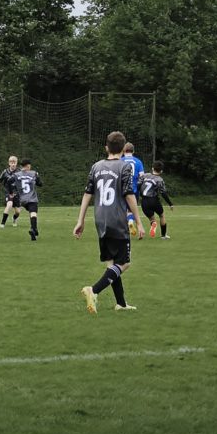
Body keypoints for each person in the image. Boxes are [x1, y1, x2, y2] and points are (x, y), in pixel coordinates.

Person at [74, 131, 145, 313]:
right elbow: (129, 195)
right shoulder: (124, 167)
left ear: (106, 148)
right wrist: (139, 222)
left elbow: (87, 194)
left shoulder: (96, 167)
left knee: (112, 264)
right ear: (123, 149)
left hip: (100, 219)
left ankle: (120, 303)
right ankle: (94, 290)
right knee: (125, 263)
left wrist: (80, 220)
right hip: (118, 220)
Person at [139, 161, 174, 239]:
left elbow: (138, 185)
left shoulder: (144, 176)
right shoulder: (159, 180)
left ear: (152, 168)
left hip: (144, 201)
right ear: (161, 171)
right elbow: (163, 193)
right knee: (161, 215)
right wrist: (170, 204)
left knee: (151, 218)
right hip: (154, 200)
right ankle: (163, 235)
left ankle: (153, 223)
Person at [15, 159, 42, 241]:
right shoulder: (33, 173)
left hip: (23, 200)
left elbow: (10, 182)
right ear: (28, 166)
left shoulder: (17, 174)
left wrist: (11, 192)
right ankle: (33, 229)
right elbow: (40, 184)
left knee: (31, 211)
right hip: (32, 198)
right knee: (33, 213)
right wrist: (37, 178)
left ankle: (34, 230)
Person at [0, 155, 21, 228]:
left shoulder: (20, 172)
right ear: (9, 163)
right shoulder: (5, 172)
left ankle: (14, 218)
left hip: (17, 194)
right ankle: (2, 223)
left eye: (14, 162)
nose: (13, 164)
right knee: (9, 205)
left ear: (16, 163)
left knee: (18, 212)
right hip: (9, 193)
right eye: (11, 162)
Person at [122, 142, 145, 236]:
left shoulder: (120, 160)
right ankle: (131, 221)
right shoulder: (138, 161)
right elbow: (142, 177)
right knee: (131, 210)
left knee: (123, 209)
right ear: (133, 151)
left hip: (122, 189)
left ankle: (127, 225)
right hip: (134, 190)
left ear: (123, 150)